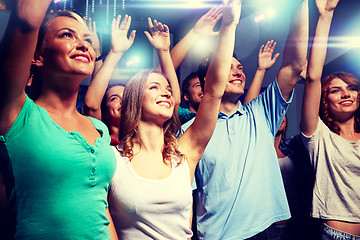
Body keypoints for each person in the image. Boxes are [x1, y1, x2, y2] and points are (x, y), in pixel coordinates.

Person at [108, 1, 242, 239]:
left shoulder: (184, 153)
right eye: (154, 87)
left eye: (169, 88)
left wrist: (229, 26)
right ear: (135, 100)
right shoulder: (112, 159)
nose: (167, 92)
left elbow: (213, 91)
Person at [182, 0, 309, 239]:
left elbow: (294, 65)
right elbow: (184, 194)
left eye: (239, 67)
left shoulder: (261, 112)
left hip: (266, 231)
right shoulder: (189, 132)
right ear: (209, 80)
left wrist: (300, 4)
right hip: (216, 235)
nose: (238, 71)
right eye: (228, 67)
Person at [0, 1, 116, 239]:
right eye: (67, 35)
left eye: (88, 40)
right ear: (37, 57)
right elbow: (27, 19)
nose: (83, 44)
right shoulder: (16, 114)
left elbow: (99, 207)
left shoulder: (99, 129)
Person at [300, 0, 360, 239]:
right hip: (339, 235)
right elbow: (314, 77)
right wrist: (326, 16)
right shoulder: (319, 136)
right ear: (325, 101)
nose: (346, 93)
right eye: (336, 90)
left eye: (351, 88)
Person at [83, 14, 135, 145]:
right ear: (104, 112)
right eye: (114, 98)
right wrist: (114, 52)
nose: (123, 101)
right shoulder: (100, 137)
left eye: (126, 97)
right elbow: (93, 103)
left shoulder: (141, 141)